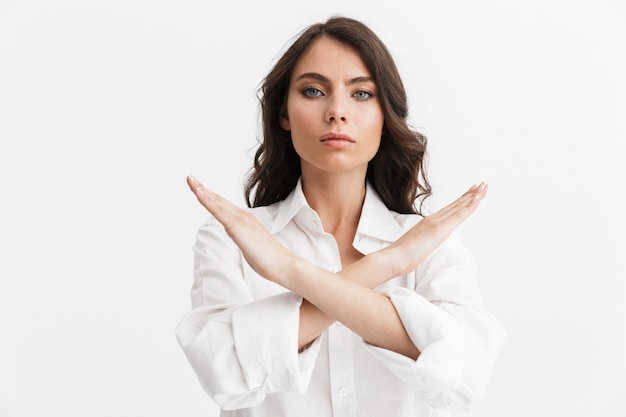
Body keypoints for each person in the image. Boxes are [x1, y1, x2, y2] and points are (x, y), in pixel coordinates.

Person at [175, 16, 505, 417]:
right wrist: (388, 265)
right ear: (284, 114)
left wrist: (289, 271)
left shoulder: (431, 243)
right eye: (313, 91)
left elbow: (462, 375)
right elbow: (224, 375)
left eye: (361, 94)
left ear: (386, 115)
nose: (336, 112)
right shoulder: (231, 238)